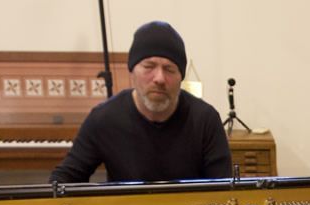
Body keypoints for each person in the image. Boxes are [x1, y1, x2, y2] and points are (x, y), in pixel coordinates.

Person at [50, 21, 232, 184]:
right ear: (132, 72)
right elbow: (65, 179)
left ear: (180, 78)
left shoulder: (205, 120)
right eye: (149, 67)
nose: (159, 78)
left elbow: (225, 191)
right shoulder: (104, 119)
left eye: (169, 69)